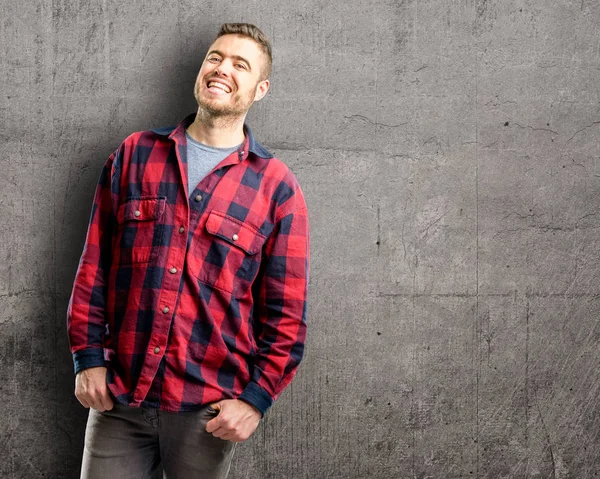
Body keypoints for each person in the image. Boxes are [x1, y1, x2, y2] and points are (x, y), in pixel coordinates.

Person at [66, 23, 310, 478]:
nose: (222, 69)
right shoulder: (135, 154)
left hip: (207, 412)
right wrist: (87, 357)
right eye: (215, 58)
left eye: (241, 64)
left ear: (261, 89)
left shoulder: (277, 188)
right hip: (119, 398)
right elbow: (93, 267)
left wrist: (256, 401)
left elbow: (286, 317)